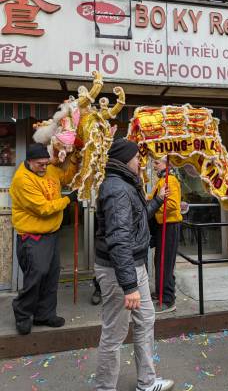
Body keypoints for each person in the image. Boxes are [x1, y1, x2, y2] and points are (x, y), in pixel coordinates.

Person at [94, 138, 174, 391]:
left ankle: (147, 383)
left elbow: (136, 222)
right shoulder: (117, 189)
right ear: (125, 159)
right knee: (114, 334)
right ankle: (104, 388)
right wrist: (129, 286)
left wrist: (158, 201)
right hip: (119, 270)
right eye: (138, 157)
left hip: (134, 265)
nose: (141, 161)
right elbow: (118, 239)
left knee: (146, 320)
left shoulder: (127, 185)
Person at [9, 143, 78, 335]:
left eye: (46, 163)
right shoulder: (22, 180)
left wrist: (74, 159)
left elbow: (65, 177)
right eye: (40, 164)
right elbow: (43, 208)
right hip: (33, 236)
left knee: (51, 276)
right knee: (37, 275)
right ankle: (23, 314)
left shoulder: (48, 170)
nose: (44, 167)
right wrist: (68, 200)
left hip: (51, 234)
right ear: (29, 161)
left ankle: (45, 314)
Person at [149, 158, 182, 314]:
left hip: (169, 226)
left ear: (166, 164)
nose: (154, 166)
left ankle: (168, 299)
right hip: (161, 226)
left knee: (166, 263)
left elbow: (173, 205)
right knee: (159, 261)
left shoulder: (171, 180)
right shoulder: (161, 181)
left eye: (157, 163)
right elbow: (153, 199)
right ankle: (160, 292)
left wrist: (155, 209)